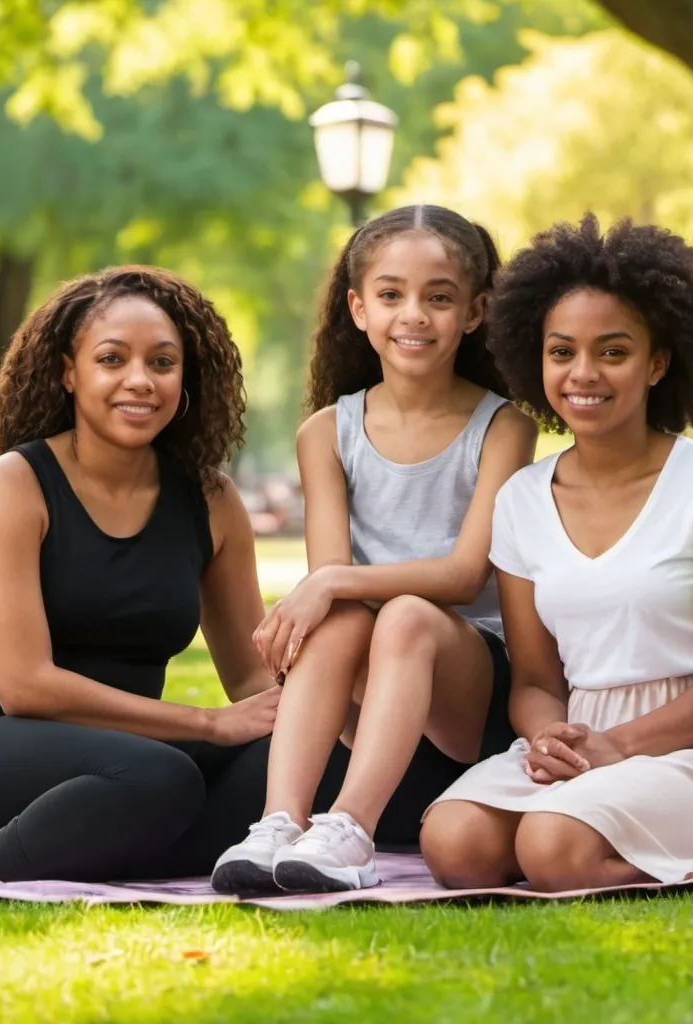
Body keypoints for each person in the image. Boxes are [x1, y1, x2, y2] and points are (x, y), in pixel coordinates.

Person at [420, 215, 693, 891]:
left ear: (658, 362)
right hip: (585, 736)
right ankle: (619, 830)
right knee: (453, 845)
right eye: (562, 352)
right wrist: (549, 738)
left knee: (551, 848)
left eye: (614, 352)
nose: (584, 374)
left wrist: (622, 746)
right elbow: (537, 681)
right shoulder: (522, 500)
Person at [0, 266, 281, 888]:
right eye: (112, 359)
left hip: (119, 761)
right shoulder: (14, 483)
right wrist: (206, 724)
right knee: (161, 779)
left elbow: (249, 677)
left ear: (185, 378)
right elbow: (26, 687)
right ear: (68, 371)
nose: (140, 380)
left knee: (294, 765)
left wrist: (320, 702)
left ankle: (105, 839)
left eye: (162, 363)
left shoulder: (211, 500)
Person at [211, 204, 538, 894]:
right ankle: (280, 822)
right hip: (369, 688)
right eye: (391, 295)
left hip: (471, 685)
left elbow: (463, 573)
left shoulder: (504, 427)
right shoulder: (327, 432)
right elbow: (333, 578)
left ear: (476, 312)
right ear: (359, 309)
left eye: (439, 297)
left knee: (404, 614)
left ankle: (352, 827)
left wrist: (331, 584)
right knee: (346, 616)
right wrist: (330, 587)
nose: (413, 315)